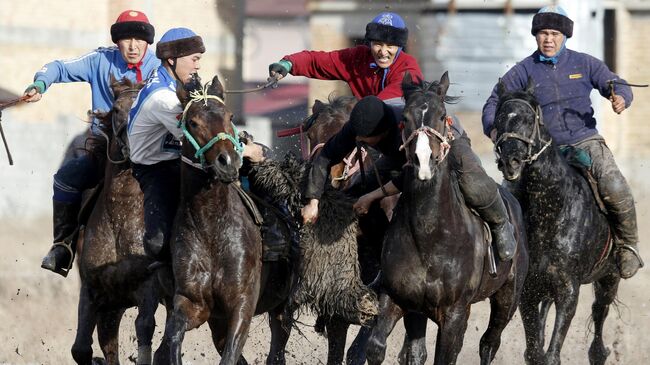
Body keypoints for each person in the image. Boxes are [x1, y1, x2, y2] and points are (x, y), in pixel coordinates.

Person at [482, 6, 643, 278]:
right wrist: (495, 131)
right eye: (543, 33)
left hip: (584, 141)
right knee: (508, 194)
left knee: (614, 183)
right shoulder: (522, 71)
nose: (548, 39)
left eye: (554, 33)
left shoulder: (585, 63)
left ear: (564, 36)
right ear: (535, 36)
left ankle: (627, 245)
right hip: (540, 151)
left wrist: (620, 97)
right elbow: (493, 103)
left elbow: (616, 83)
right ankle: (503, 251)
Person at [24, 10, 160, 276]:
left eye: (139, 39)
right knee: (65, 177)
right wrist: (40, 84)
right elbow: (59, 67)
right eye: (126, 39)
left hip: (149, 152)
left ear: (148, 42)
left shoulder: (158, 68)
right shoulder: (99, 60)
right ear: (116, 41)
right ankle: (63, 245)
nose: (133, 46)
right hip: (105, 151)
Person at [306, 94, 517, 263]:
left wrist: (371, 197)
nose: (359, 141)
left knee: (473, 182)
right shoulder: (358, 126)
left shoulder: (403, 129)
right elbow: (324, 157)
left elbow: (411, 176)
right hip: (400, 151)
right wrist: (313, 201)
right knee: (361, 184)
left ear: (383, 132)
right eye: (356, 135)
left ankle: (500, 224)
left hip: (445, 138)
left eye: (364, 139)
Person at [127, 28, 266, 263]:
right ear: (172, 60)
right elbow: (201, 140)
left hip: (177, 159)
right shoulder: (164, 98)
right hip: (156, 170)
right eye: (194, 59)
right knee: (158, 243)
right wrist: (246, 150)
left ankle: (267, 234)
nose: (198, 66)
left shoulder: (172, 81)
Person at [268, 11, 421, 106]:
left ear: (399, 47)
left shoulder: (408, 66)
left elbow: (391, 98)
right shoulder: (357, 58)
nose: (383, 51)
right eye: (378, 44)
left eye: (390, 46)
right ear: (370, 43)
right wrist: (288, 63)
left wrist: (362, 110)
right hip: (363, 127)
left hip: (396, 134)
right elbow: (318, 61)